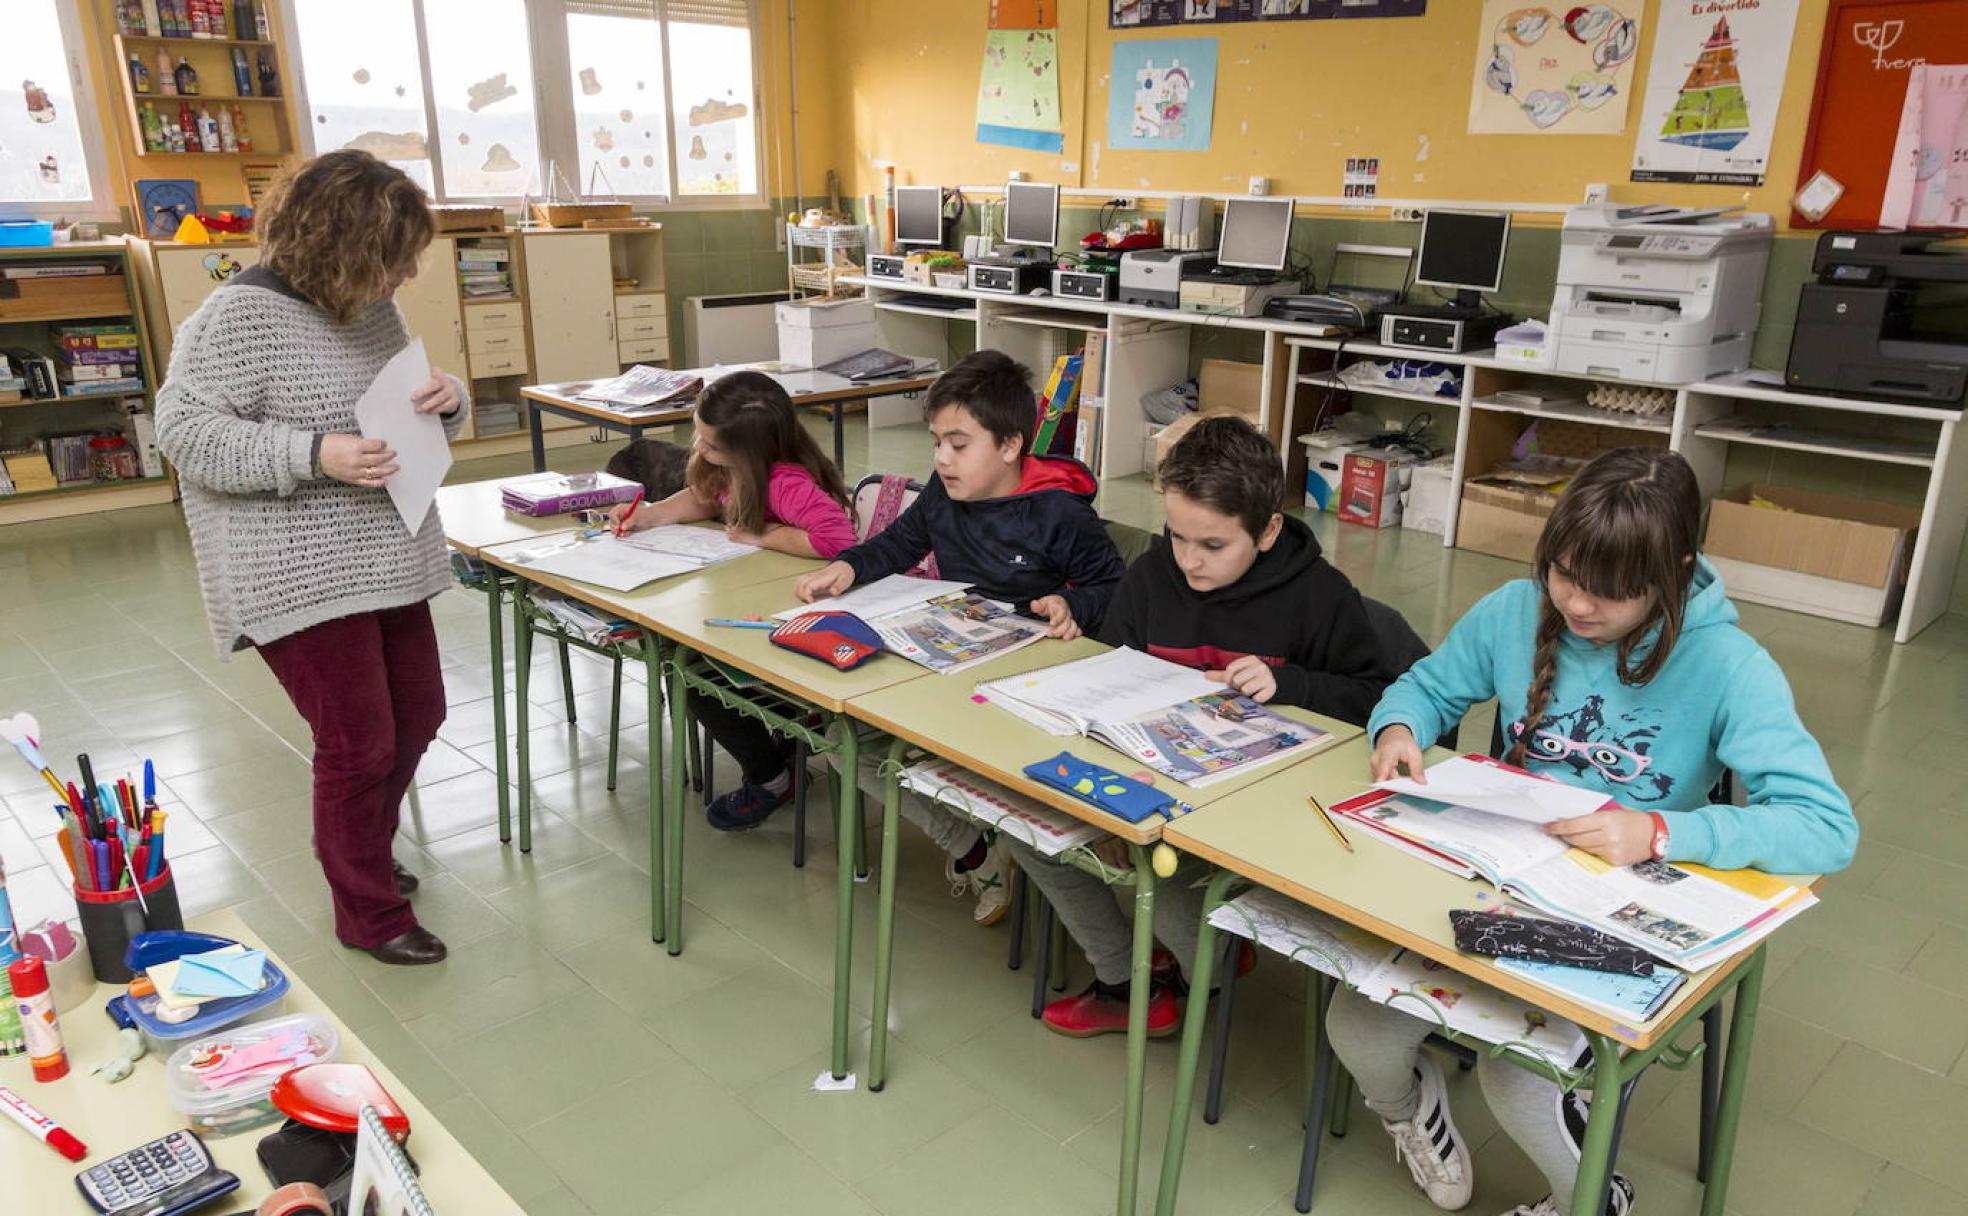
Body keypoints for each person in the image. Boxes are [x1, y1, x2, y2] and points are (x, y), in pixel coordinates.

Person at [1329, 447, 1858, 1216]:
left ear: (1675, 570)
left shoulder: (1730, 665)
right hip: (1493, 880)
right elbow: (1426, 685)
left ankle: (1590, 1200)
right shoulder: (1515, 612)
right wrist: (1401, 727)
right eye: (1566, 574)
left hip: (1616, 912)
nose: (1578, 606)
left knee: (1522, 1080)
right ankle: (1414, 1112)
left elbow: (1826, 829)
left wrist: (1660, 832)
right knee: (1360, 1026)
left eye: (1613, 593)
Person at [155, 150, 469, 966]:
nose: (403, 275)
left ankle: (357, 847)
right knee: (360, 743)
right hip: (289, 566)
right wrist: (311, 453)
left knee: (422, 713)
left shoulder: (367, 309)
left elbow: (401, 416)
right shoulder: (234, 318)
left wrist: (448, 400)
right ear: (337, 244)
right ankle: (366, 911)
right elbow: (184, 436)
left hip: (382, 551)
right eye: (391, 257)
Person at [1008, 416, 1394, 1036]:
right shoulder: (1153, 575)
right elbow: (1103, 686)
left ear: (1268, 530)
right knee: (1025, 820)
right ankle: (1124, 976)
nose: (1188, 560)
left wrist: (1293, 684)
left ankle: (1200, 969)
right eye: (1176, 535)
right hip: (1148, 790)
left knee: (1159, 869)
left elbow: (1377, 699)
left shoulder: (1320, 597)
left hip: (1256, 815)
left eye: (1212, 545)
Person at [795, 350, 1126, 923]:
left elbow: (1115, 588)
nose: (942, 459)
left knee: (993, 784)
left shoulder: (1057, 513)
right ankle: (977, 853)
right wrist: (848, 567)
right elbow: (897, 545)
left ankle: (1013, 844)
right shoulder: (945, 496)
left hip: (1023, 689)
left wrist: (1072, 603)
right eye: (935, 442)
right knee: (849, 748)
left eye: (958, 443)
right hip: (950, 668)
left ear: (1010, 445)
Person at [610, 371, 856, 829]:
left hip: (791, 611)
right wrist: (650, 516)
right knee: (693, 662)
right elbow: (706, 499)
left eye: (711, 445)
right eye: (699, 437)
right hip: (748, 602)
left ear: (751, 451)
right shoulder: (729, 468)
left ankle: (771, 777)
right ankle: (786, 742)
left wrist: (762, 533)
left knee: (691, 678)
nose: (699, 450)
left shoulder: (785, 482)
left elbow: (839, 539)